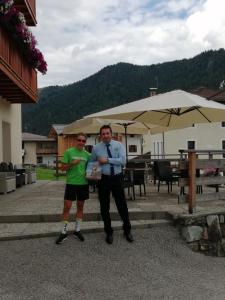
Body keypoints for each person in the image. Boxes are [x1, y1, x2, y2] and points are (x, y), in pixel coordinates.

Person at [90, 125, 134, 244]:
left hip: (117, 178)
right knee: (104, 207)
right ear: (100, 135)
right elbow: (92, 162)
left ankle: (127, 230)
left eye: (107, 133)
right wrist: (94, 177)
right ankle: (108, 232)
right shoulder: (96, 148)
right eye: (103, 134)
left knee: (122, 205)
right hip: (103, 179)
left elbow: (123, 161)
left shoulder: (119, 145)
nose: (105, 135)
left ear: (111, 134)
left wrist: (108, 160)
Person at [55, 133, 91, 244]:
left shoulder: (87, 155)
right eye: (79, 140)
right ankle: (63, 232)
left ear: (85, 142)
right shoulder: (69, 152)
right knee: (67, 207)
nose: (81, 142)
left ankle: (77, 230)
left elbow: (90, 169)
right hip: (71, 183)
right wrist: (71, 164)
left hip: (83, 184)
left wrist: (89, 173)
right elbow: (61, 168)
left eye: (83, 141)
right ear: (76, 141)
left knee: (80, 207)